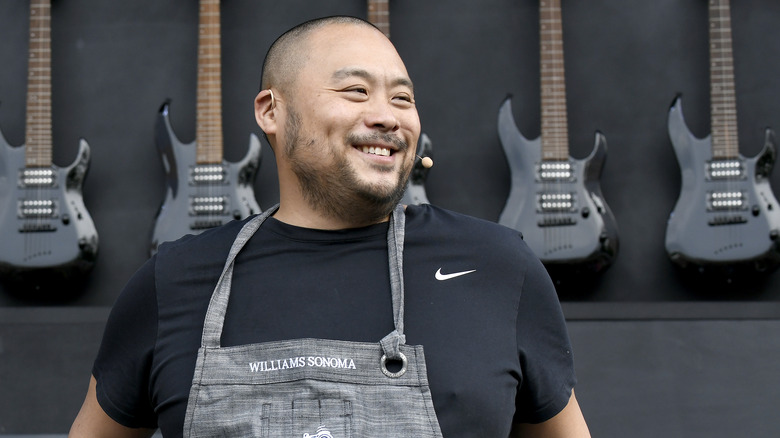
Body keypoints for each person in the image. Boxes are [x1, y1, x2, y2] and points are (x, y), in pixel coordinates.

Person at [69, 16, 590, 438]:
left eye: (403, 99)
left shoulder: (498, 265)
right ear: (272, 110)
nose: (387, 116)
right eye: (356, 91)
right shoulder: (175, 278)